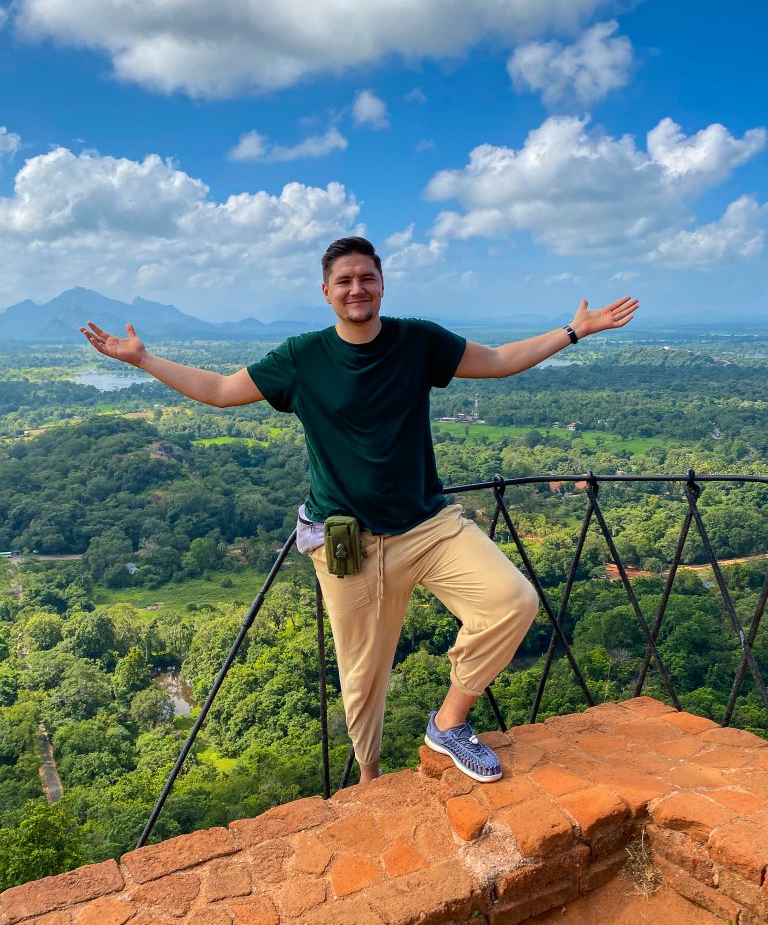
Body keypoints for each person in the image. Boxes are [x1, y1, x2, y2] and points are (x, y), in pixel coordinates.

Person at [81, 236, 638, 784]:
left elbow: (495, 361)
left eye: (366, 278)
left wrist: (573, 332)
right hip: (348, 542)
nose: (356, 289)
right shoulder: (302, 358)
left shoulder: (417, 340)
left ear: (381, 284)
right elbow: (224, 390)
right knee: (362, 675)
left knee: (512, 601)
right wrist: (145, 360)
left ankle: (448, 724)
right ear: (326, 292)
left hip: (428, 526)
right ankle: (369, 779)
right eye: (344, 281)